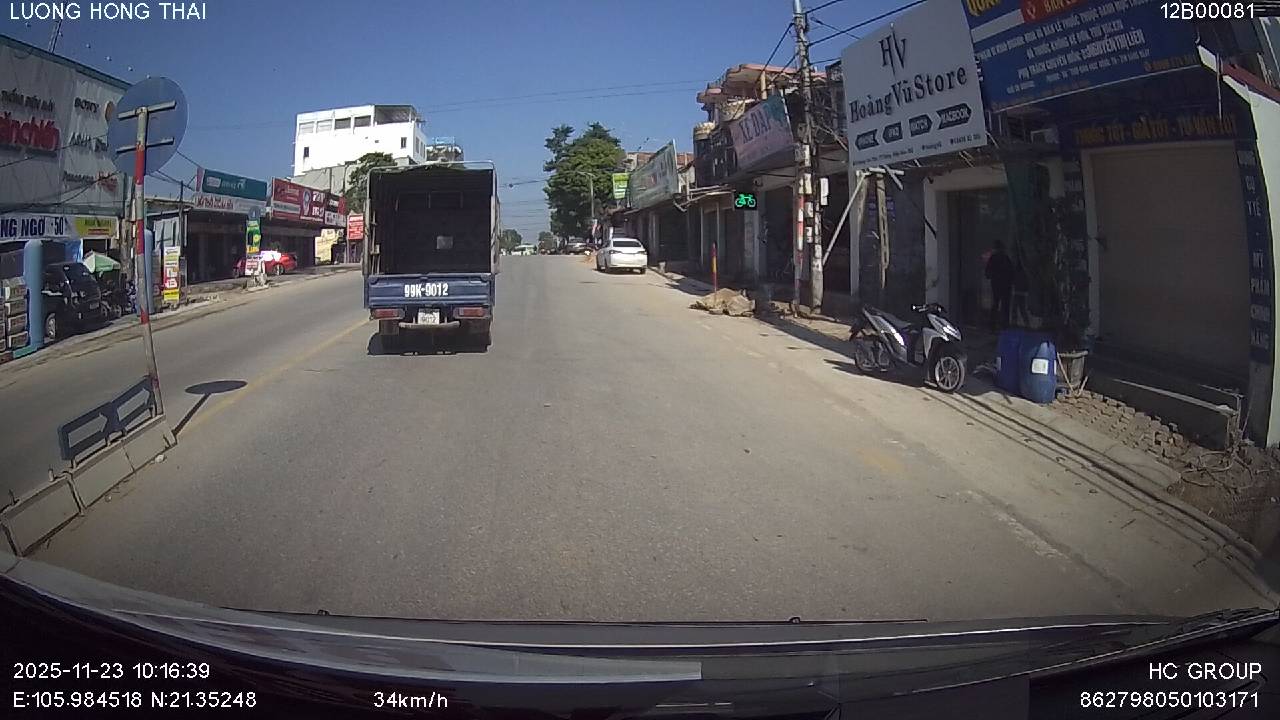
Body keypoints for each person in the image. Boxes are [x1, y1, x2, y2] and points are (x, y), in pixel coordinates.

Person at [984, 242, 1014, 330]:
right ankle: (1004, 325)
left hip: (997, 284)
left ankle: (993, 325)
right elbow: (1011, 272)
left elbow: (987, 273)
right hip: (1005, 285)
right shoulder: (1005, 258)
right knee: (1004, 305)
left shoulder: (994, 258)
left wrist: (994, 276)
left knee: (996, 304)